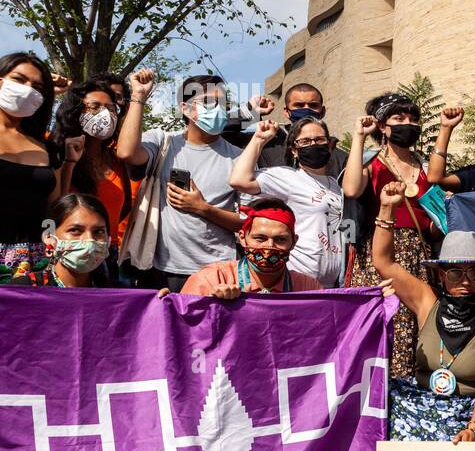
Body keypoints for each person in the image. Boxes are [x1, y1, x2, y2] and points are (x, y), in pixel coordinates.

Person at [372, 181, 475, 442]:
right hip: (419, 408)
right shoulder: (427, 302)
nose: (466, 281)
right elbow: (383, 262)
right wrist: (387, 209)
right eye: (456, 273)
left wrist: (473, 427)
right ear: (441, 274)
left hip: (470, 414)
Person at [115, 73, 243, 292]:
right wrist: (138, 96)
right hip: (163, 272)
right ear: (185, 108)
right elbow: (126, 152)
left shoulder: (240, 158)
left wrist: (203, 208)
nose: (218, 108)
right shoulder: (163, 142)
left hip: (221, 273)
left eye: (223, 103)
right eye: (208, 102)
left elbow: (249, 224)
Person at [343, 92, 438, 377]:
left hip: (420, 256)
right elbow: (350, 189)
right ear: (382, 126)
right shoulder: (372, 163)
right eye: (398, 118)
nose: (407, 124)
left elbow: (430, 220)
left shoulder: (424, 167)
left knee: (418, 330)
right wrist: (359, 137)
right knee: (386, 326)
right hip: (380, 254)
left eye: (412, 118)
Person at [230, 118, 345, 287]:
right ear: (294, 151)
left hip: (331, 285)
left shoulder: (335, 184)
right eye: (305, 141)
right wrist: (259, 139)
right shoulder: (288, 177)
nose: (313, 144)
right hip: (297, 282)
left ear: (329, 145)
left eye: (319, 139)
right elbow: (239, 180)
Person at [0, 51, 65, 275]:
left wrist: (51, 249)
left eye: (37, 87)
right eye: (19, 79)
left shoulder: (47, 147)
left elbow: (52, 210)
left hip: (32, 263)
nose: (27, 88)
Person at [179, 198, 322, 297]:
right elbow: (179, 325)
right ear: (242, 238)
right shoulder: (212, 279)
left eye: (280, 239)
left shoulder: (309, 289)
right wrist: (211, 303)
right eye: (260, 238)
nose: (269, 247)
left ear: (294, 242)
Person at [60, 77, 138, 255]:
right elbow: (55, 204)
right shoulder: (57, 150)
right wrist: (69, 163)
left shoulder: (119, 160)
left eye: (111, 108)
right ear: (76, 111)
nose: (104, 114)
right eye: (95, 107)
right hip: (68, 251)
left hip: (107, 254)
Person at [4, 193, 113, 288]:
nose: (89, 240)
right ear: (49, 238)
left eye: (98, 231)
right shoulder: (23, 292)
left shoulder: (117, 296)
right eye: (75, 230)